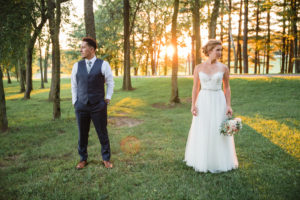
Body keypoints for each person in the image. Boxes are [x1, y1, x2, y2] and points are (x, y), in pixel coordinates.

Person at [184, 40, 238, 173]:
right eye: (217, 50)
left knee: (218, 129)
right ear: (209, 51)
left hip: (218, 100)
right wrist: (193, 105)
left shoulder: (224, 68)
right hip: (203, 100)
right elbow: (195, 88)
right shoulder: (198, 67)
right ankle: (202, 159)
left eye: (221, 50)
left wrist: (228, 105)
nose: (220, 52)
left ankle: (219, 160)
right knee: (203, 128)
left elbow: (227, 88)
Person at [71, 37, 114, 169]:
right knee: (82, 133)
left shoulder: (103, 64)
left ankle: (106, 158)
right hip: (81, 106)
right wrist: (75, 102)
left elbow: (110, 82)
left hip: (98, 105)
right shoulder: (77, 65)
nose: (81, 50)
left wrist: (107, 98)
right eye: (81, 47)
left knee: (102, 132)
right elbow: (74, 85)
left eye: (83, 47)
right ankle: (83, 159)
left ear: (92, 49)